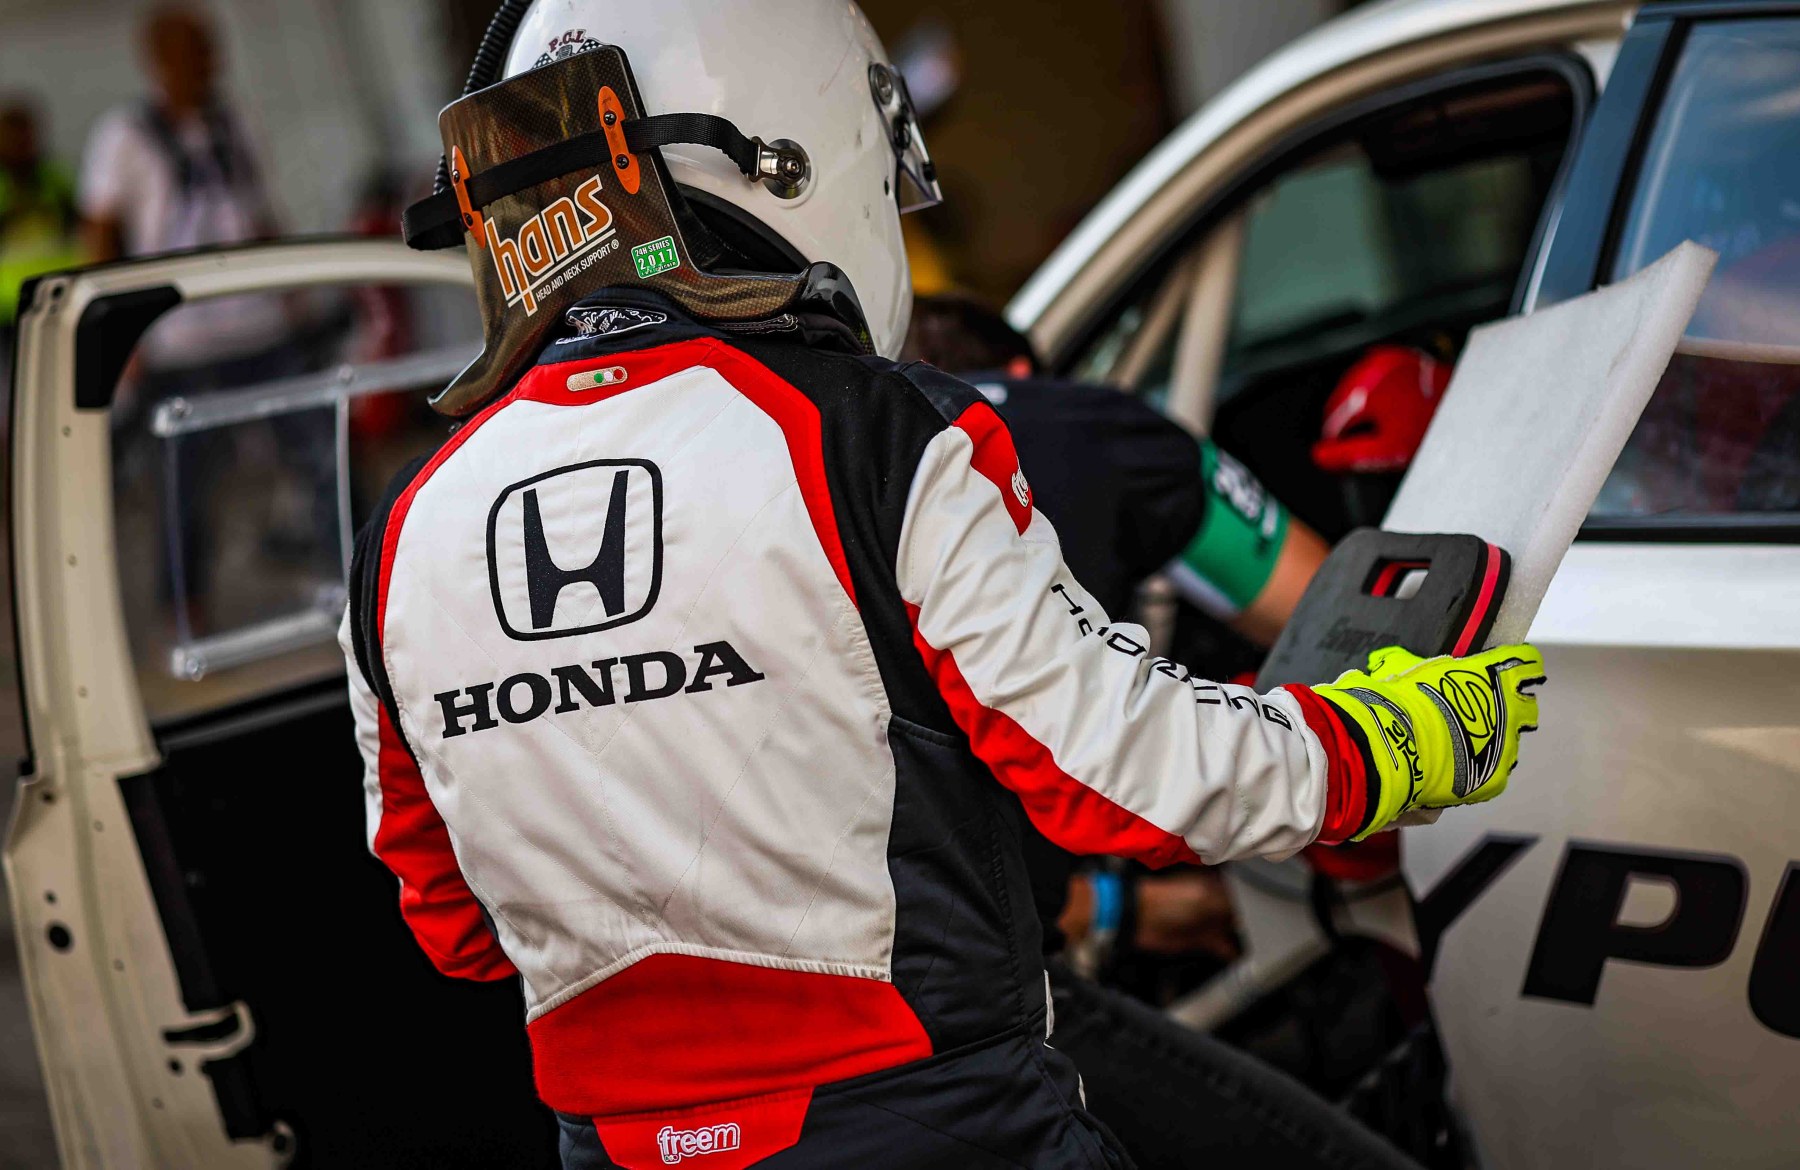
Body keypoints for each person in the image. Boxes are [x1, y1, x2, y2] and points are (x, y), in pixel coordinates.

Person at [343, 4, 1546, 1167]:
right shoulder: (877, 436)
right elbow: (1122, 774)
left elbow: (456, 928)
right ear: (800, 144)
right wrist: (1391, 743)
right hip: (937, 1122)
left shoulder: (399, 533)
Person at [905, 294, 1431, 1169]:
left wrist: (1119, 910)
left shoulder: (817, 481)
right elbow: (1339, 630)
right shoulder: (1093, 426)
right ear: (1027, 373)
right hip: (989, 1015)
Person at [0, 100, 81, 332]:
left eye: (25, 135)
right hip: (7, 306)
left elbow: (81, 227)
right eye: (12, 136)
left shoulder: (56, 179)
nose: (20, 144)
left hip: (59, 297)